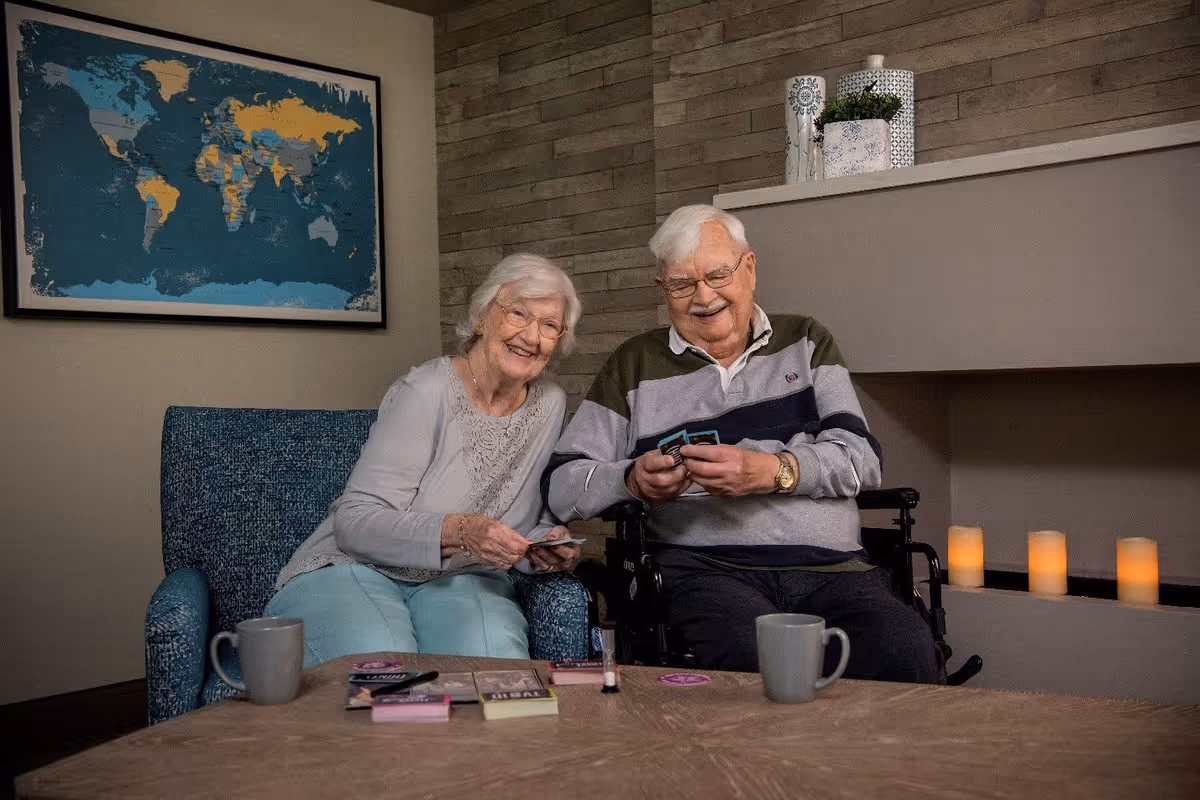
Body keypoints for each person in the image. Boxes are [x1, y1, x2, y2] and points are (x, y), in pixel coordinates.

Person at [542, 205, 940, 683]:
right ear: (662, 290)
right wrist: (630, 480)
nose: (703, 297)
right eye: (682, 284)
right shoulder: (635, 365)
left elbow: (862, 458)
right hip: (708, 572)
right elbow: (563, 484)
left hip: (834, 570)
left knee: (906, 654)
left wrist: (773, 471)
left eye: (717, 275)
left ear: (748, 269)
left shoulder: (806, 342)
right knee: (755, 671)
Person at [267, 253, 583, 667]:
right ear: (482, 317)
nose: (531, 335)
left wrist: (545, 545)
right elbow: (355, 522)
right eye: (518, 314)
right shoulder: (427, 390)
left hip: (461, 579)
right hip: (355, 569)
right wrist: (462, 530)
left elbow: (521, 515)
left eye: (549, 325)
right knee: (387, 672)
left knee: (495, 671)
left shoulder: (550, 404)